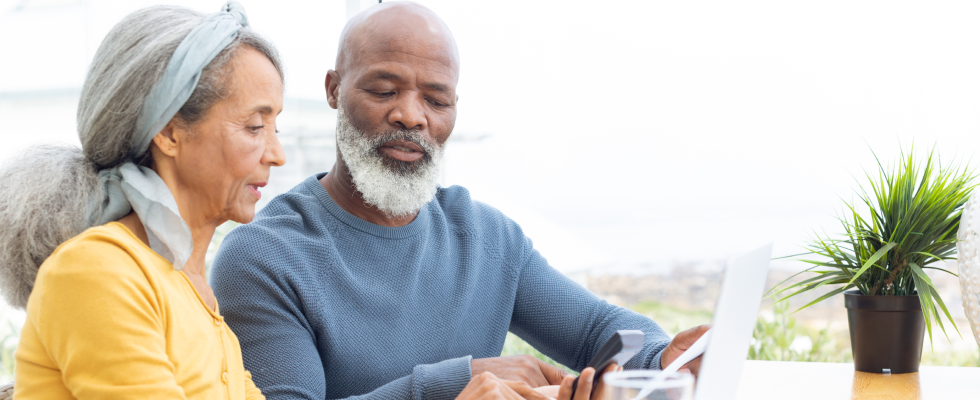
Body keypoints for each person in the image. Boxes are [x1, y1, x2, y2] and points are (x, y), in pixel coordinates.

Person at [210, 3, 710, 400]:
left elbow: (599, 330)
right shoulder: (263, 258)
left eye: (436, 99)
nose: (411, 116)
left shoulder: (485, 238)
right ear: (335, 90)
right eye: (384, 89)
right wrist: (454, 383)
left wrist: (663, 359)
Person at [0, 3, 283, 399]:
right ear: (169, 133)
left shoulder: (191, 289)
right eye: (255, 127)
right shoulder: (98, 271)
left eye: (275, 127)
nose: (277, 154)